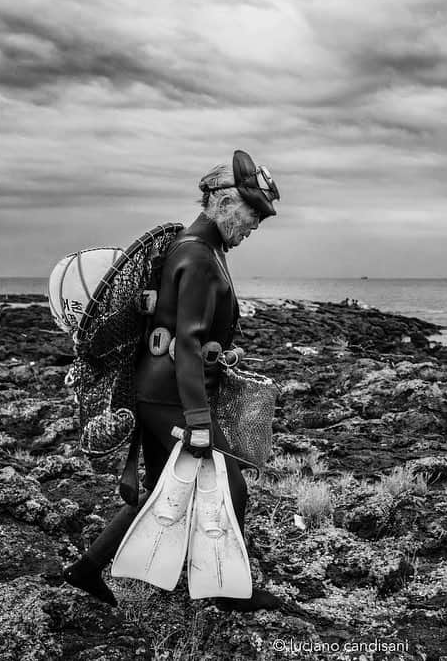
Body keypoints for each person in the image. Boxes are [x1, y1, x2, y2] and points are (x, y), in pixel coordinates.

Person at [63, 150, 281, 611]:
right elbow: (186, 342)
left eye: (261, 215)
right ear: (222, 202)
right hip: (170, 397)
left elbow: (188, 330)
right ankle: (226, 592)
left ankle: (85, 570)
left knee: (164, 485)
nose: (256, 223)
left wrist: (221, 352)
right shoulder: (198, 254)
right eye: (252, 211)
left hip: (157, 389)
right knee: (230, 485)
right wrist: (199, 418)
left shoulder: (202, 248)